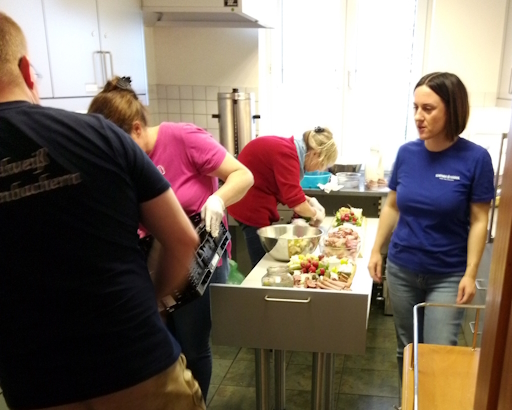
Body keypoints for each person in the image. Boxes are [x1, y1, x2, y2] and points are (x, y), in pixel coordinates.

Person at [0, 12, 206, 410]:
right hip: (139, 365)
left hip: (37, 386)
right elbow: (183, 239)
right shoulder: (101, 134)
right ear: (27, 70)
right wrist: (152, 303)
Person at [87, 77, 254, 399]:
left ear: (137, 129)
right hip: (151, 257)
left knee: (193, 344)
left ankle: (195, 404)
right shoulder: (121, 158)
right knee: (161, 346)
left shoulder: (182, 138)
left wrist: (218, 199)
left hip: (201, 257)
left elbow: (243, 175)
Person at [367, 72, 495, 383]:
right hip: (402, 269)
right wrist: (376, 250)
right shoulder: (407, 153)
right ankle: (408, 402)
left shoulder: (476, 158)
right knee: (407, 349)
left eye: (428, 108)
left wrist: (470, 273)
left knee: (439, 354)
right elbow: (393, 205)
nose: (418, 117)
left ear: (452, 109)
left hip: (448, 274)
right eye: (415, 107)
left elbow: (480, 220)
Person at [227, 127, 339, 267]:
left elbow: (287, 189)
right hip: (249, 205)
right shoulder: (288, 155)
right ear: (316, 154)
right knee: (262, 264)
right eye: (322, 164)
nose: (319, 169)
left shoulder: (290, 150)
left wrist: (310, 201)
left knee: (266, 260)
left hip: (249, 199)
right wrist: (315, 214)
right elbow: (298, 205)